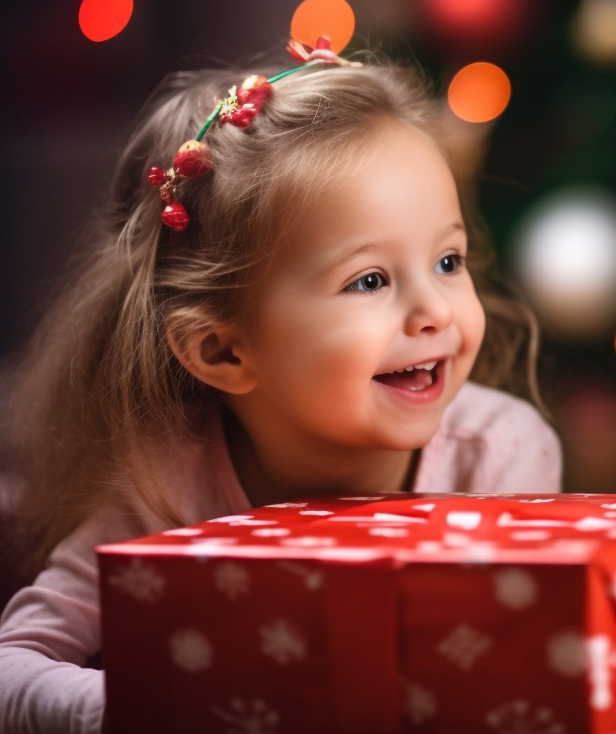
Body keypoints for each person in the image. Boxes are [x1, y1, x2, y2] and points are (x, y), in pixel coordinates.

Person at [0, 41, 562, 733]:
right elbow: (14, 664)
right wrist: (147, 707)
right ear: (222, 350)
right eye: (370, 280)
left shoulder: (501, 456)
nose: (437, 312)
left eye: (449, 260)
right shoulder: (166, 487)